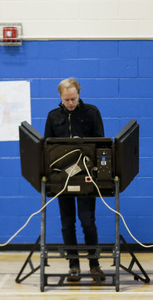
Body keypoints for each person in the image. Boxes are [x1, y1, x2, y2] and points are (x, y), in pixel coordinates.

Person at [44, 78, 106, 283]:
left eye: (74, 98)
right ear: (60, 98)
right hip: (62, 178)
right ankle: (73, 266)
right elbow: (48, 147)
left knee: (88, 221)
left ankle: (94, 265)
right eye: (66, 99)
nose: (70, 103)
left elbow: (100, 143)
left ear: (79, 93)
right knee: (67, 223)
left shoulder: (92, 112)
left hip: (86, 175)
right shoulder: (53, 117)